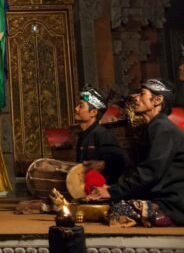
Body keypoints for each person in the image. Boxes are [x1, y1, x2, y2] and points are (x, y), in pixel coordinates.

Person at [88, 78, 184, 227]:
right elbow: (139, 171)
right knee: (113, 204)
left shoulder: (163, 128)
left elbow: (150, 172)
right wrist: (112, 188)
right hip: (161, 200)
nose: (135, 97)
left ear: (157, 100)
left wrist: (113, 192)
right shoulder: (154, 127)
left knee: (118, 209)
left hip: (172, 206)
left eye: (142, 93)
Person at [74, 87, 127, 188]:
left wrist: (103, 164)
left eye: (81, 106)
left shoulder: (102, 134)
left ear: (93, 112)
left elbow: (121, 162)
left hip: (101, 193)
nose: (76, 109)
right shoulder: (83, 135)